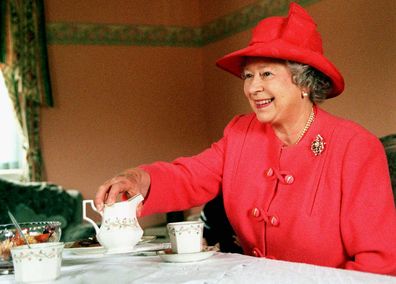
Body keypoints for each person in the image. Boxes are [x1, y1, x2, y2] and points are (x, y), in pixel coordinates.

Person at [95, 2, 396, 275]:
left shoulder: (355, 147)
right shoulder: (240, 132)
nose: (253, 88)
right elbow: (190, 176)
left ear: (304, 81)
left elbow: (378, 262)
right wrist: (137, 180)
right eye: (248, 76)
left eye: (266, 74)